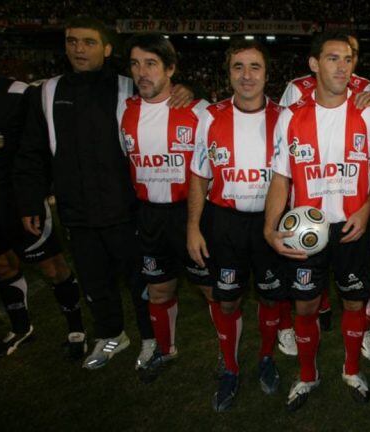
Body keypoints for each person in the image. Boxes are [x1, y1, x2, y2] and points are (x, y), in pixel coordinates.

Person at [14, 15, 192, 370]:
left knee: (142, 281)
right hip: (76, 211)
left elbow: (166, 96)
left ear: (107, 48)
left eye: (89, 42)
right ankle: (111, 334)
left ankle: (148, 337)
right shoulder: (46, 91)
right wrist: (30, 199)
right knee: (95, 283)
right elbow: (32, 151)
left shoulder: (129, 86)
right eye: (72, 41)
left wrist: (186, 91)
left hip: (125, 210)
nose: (79, 49)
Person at [265, 32, 370, 411]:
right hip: (306, 233)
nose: (342, 66)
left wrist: (367, 209)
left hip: (351, 227)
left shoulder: (369, 113)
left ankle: (351, 369)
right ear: (314, 64)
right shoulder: (291, 116)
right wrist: (270, 229)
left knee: (354, 303)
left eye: (348, 59)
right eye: (332, 58)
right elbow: (281, 178)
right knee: (304, 307)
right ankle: (307, 375)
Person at [188, 40, 290, 411]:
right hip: (225, 223)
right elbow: (199, 176)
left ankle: (266, 357)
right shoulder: (210, 117)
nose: (246, 76)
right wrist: (193, 227)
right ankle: (229, 367)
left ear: (267, 73)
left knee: (269, 296)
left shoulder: (286, 116)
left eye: (255, 67)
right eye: (238, 67)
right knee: (227, 300)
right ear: (228, 72)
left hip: (270, 223)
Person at [118, 33, 213, 382]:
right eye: (135, 64)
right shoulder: (124, 110)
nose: (142, 72)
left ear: (170, 69)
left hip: (191, 215)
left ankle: (225, 352)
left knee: (211, 290)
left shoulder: (199, 110)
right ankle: (166, 348)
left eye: (151, 64)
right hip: (149, 216)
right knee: (159, 289)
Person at [0, 39, 85, 358]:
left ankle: (77, 329)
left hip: (17, 201)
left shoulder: (19, 94)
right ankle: (21, 328)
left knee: (52, 267)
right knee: (1, 266)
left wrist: (40, 192)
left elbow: (39, 148)